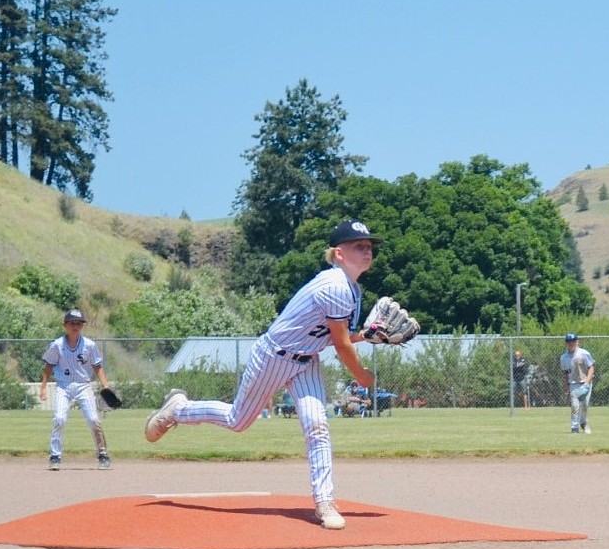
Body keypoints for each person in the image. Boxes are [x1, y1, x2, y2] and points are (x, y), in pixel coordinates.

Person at [144, 219, 380, 530]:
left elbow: (335, 336)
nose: (367, 251)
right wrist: (362, 376)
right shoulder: (335, 286)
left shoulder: (352, 289)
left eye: (369, 246)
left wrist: (368, 335)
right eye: (359, 246)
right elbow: (340, 344)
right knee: (238, 421)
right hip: (273, 356)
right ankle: (179, 409)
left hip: (306, 361)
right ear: (339, 253)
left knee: (317, 425)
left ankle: (324, 502)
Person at [38, 309, 113, 471]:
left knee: (93, 419)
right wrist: (43, 387)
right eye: (72, 323)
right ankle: (55, 456)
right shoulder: (57, 345)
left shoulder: (89, 345)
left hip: (83, 385)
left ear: (82, 326)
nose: (75, 326)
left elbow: (97, 366)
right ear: (64, 325)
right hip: (63, 386)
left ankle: (103, 454)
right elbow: (48, 366)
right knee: (59, 419)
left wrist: (105, 385)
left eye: (79, 323)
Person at [560, 333, 595, 434]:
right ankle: (574, 427)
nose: (571, 343)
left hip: (585, 382)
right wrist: (566, 387)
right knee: (575, 406)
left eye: (573, 341)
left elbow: (591, 367)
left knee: (584, 405)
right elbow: (565, 373)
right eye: (569, 341)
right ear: (566, 343)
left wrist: (588, 381)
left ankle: (583, 423)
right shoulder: (564, 357)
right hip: (573, 384)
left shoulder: (584, 353)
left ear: (577, 342)